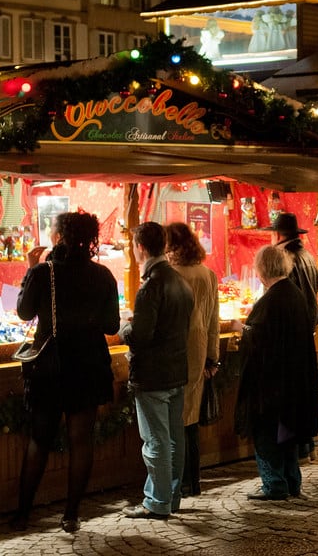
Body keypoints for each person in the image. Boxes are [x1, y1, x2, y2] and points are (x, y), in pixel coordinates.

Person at [12, 212, 119, 533]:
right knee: (81, 441)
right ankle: (71, 515)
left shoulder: (44, 273)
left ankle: (22, 514)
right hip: (88, 364)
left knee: (39, 440)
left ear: (59, 237)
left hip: (51, 366)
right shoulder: (103, 276)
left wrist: (30, 270)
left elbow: (23, 311)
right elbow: (112, 325)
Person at [233, 245, 318, 500]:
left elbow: (261, 341)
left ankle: (274, 485)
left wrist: (242, 329)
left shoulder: (272, 299)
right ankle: (292, 482)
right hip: (293, 382)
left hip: (272, 385)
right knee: (288, 436)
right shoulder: (293, 294)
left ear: (263, 269)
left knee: (269, 435)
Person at [120, 222, 194, 520]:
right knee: (174, 438)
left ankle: (157, 501)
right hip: (177, 369)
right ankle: (172, 496)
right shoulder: (179, 280)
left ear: (139, 247)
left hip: (153, 375)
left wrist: (126, 324)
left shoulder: (152, 285)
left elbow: (141, 336)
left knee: (156, 441)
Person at [164, 222, 220, 498]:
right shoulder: (207, 274)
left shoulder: (170, 275)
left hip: (175, 348)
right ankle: (193, 480)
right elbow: (213, 321)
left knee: (177, 416)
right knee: (191, 416)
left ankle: (180, 480)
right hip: (198, 349)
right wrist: (213, 357)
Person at [268, 212, 318, 460]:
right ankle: (307, 447)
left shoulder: (285, 257)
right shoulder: (308, 255)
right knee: (304, 392)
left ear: (277, 235)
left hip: (290, 331)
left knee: (291, 396)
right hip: (307, 328)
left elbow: (284, 296)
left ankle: (296, 449)